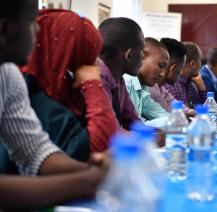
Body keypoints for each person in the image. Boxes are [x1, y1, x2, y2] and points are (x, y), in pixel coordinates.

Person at [0, 1, 109, 210]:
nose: (38, 29)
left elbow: (35, 152)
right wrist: (89, 181)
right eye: (32, 21)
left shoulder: (8, 75)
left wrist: (93, 169)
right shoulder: (43, 102)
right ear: (6, 30)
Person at [21, 9, 118, 153]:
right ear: (66, 57)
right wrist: (92, 85)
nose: (97, 64)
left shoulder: (62, 90)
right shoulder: (35, 101)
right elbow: (98, 147)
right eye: (88, 57)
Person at [98, 17, 143, 130]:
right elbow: (110, 132)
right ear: (129, 55)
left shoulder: (118, 79)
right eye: (142, 51)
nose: (143, 57)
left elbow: (133, 122)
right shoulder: (98, 77)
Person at [123, 37, 171, 129]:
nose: (162, 74)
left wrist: (177, 120)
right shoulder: (127, 82)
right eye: (161, 66)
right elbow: (131, 128)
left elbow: (162, 114)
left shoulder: (142, 88)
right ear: (142, 56)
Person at [164, 41, 207, 108]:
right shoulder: (174, 83)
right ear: (192, 64)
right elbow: (182, 114)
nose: (201, 65)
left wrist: (201, 88)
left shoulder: (190, 83)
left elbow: (202, 109)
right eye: (200, 61)